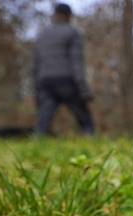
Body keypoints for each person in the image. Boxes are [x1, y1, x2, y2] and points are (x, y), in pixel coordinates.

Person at [33, 3, 95, 136]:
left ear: (55, 15)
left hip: (45, 81)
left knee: (44, 118)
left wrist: (37, 88)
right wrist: (84, 89)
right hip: (66, 80)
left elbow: (36, 64)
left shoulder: (42, 35)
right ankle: (90, 137)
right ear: (68, 16)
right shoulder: (73, 33)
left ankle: (38, 139)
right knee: (84, 116)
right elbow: (76, 62)